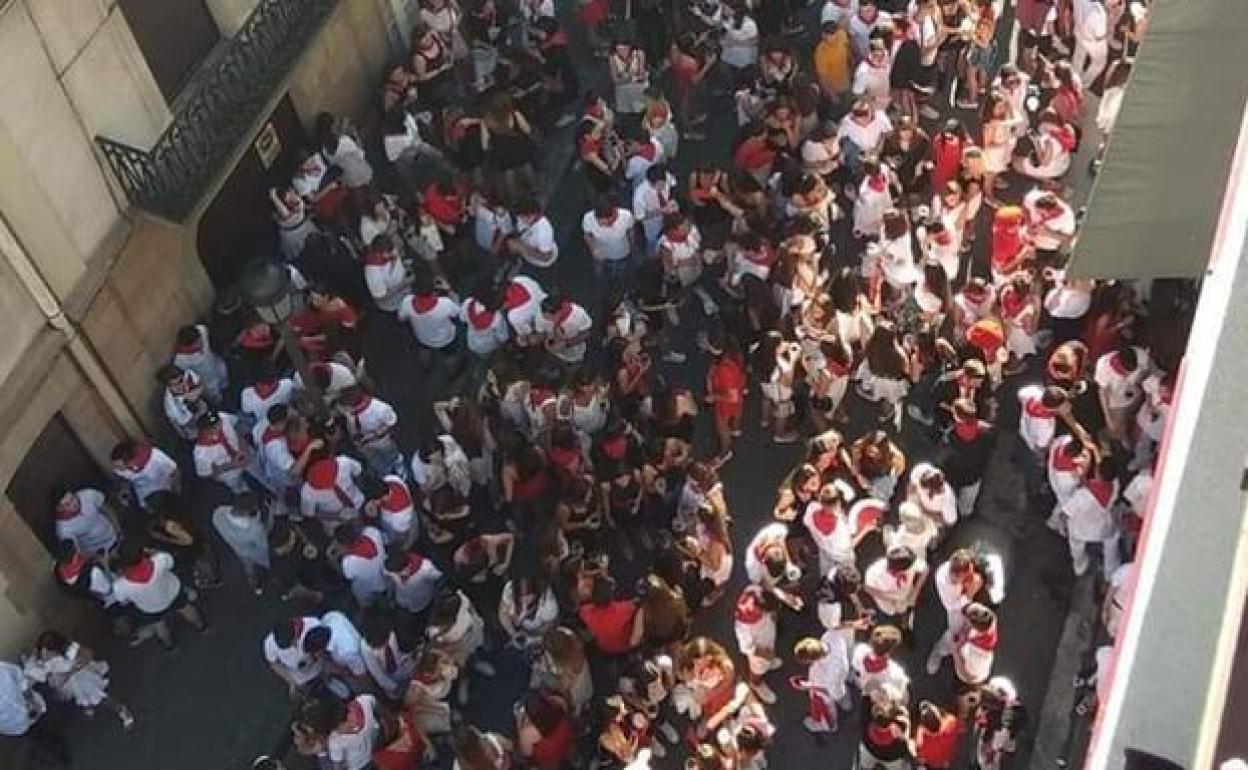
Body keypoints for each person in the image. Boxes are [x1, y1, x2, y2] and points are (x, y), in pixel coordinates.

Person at [24, 631, 133, 729]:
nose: (45, 654)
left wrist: (73, 669)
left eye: (48, 651)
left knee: (88, 689)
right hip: (65, 685)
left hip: (81, 676)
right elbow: (43, 677)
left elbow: (87, 654)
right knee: (78, 685)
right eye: (43, 651)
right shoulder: (38, 662)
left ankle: (118, 708)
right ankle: (92, 704)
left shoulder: (68, 651)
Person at [212, 493, 271, 593]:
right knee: (270, 564)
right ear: (246, 512)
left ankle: (255, 586)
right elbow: (264, 545)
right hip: (257, 553)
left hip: (238, 550)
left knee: (249, 569)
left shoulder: (218, 513)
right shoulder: (254, 529)